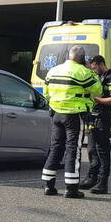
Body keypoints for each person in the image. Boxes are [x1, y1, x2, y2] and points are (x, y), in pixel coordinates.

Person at [41, 44, 103, 198]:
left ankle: (48, 185)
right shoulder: (83, 72)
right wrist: (91, 71)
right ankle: (71, 188)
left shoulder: (53, 70)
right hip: (75, 115)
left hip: (56, 114)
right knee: (73, 150)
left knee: (55, 148)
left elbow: (46, 92)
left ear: (68, 55)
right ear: (83, 59)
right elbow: (98, 90)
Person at [79, 55, 111, 194]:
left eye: (95, 67)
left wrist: (97, 100)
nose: (94, 70)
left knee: (102, 151)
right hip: (92, 117)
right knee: (91, 149)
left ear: (100, 64)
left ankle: (103, 183)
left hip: (103, 117)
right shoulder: (96, 76)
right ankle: (92, 178)